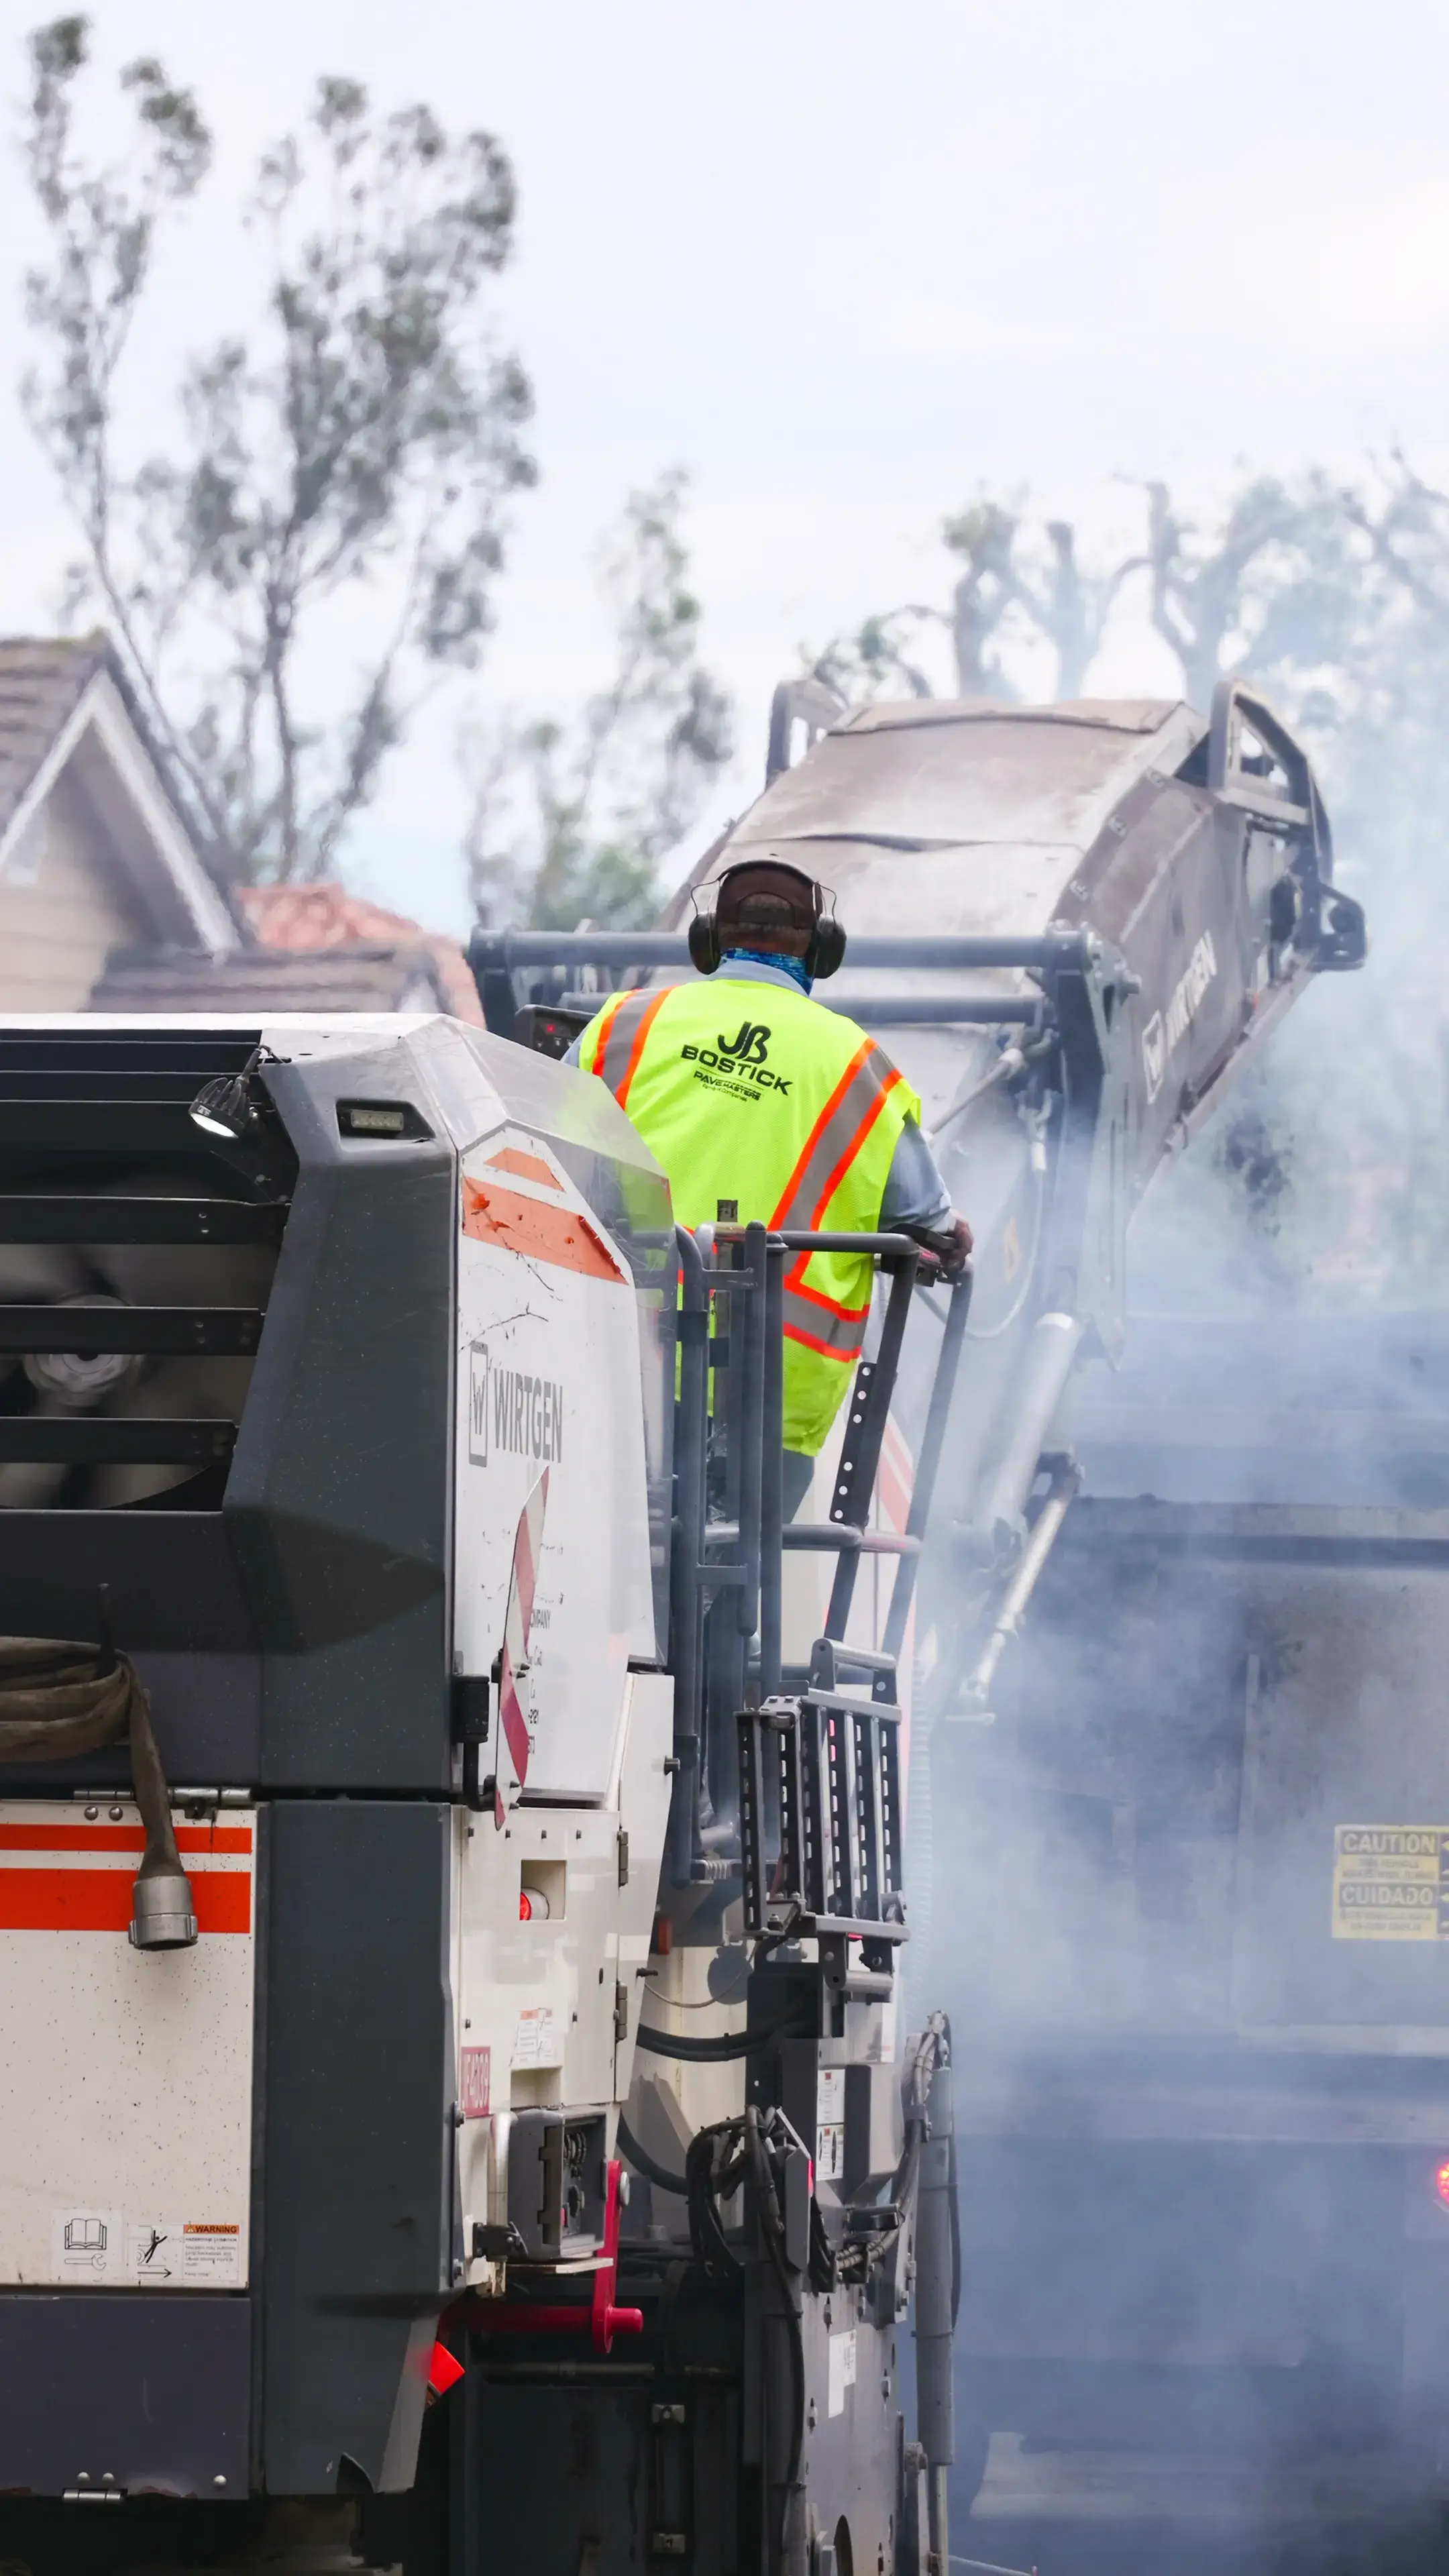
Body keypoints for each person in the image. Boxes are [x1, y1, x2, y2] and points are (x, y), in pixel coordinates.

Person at [570, 858, 971, 1517]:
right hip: (764, 1403)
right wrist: (953, 1241)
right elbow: (926, 1219)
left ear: (710, 941)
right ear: (820, 950)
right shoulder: (857, 1066)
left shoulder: (622, 1026)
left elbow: (539, 1152)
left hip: (608, 1363)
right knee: (726, 1604)